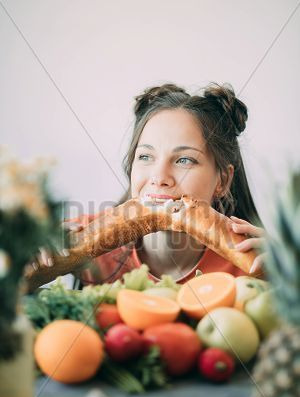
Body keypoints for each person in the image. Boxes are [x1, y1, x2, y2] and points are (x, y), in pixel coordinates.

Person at [31, 83, 267, 286]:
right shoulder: (75, 236)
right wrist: (20, 260)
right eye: (145, 156)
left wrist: (287, 276)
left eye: (184, 160)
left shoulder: (258, 262)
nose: (159, 177)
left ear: (222, 180)